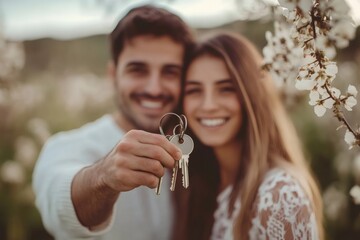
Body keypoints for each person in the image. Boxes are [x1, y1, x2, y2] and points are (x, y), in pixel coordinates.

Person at [32, 5, 194, 240]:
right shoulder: (66, 146)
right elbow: (58, 202)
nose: (154, 88)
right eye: (138, 70)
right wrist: (103, 177)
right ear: (113, 75)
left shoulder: (197, 147)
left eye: (170, 72)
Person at [173, 31, 324, 240]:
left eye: (226, 89)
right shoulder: (203, 183)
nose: (208, 105)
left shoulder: (279, 195)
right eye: (194, 90)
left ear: (252, 95)